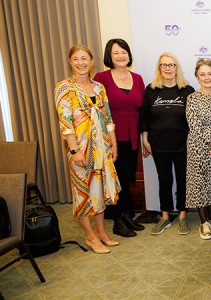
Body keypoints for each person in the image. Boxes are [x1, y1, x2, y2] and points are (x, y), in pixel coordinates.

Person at [55, 44, 121, 254]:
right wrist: (75, 151)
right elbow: (65, 124)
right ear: (70, 62)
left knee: (99, 191)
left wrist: (114, 143)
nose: (81, 63)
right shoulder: (64, 88)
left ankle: (101, 232)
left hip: (102, 148)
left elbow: (108, 118)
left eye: (85, 58)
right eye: (76, 59)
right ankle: (90, 236)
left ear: (92, 62)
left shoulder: (99, 88)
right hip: (80, 150)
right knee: (82, 192)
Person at [93, 38, 146, 238]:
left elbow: (142, 110)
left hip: (132, 136)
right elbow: (96, 110)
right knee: (114, 178)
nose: (121, 55)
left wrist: (143, 137)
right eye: (116, 52)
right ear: (109, 56)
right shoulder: (101, 78)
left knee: (126, 177)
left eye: (124, 51)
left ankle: (126, 215)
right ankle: (117, 219)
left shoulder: (138, 78)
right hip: (110, 137)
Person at [139, 53, 195, 235]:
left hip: (183, 144)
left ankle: (182, 216)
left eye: (171, 65)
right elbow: (144, 117)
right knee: (164, 180)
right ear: (159, 68)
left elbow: (194, 119)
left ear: (176, 68)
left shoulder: (187, 90)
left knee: (182, 181)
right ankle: (164, 217)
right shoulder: (151, 89)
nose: (168, 68)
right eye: (164, 65)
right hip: (159, 144)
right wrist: (145, 139)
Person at [185, 59, 211, 240]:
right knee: (200, 184)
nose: (207, 77)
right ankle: (203, 222)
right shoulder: (192, 98)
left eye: (210, 73)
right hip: (198, 148)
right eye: (203, 74)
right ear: (197, 77)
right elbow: (194, 127)